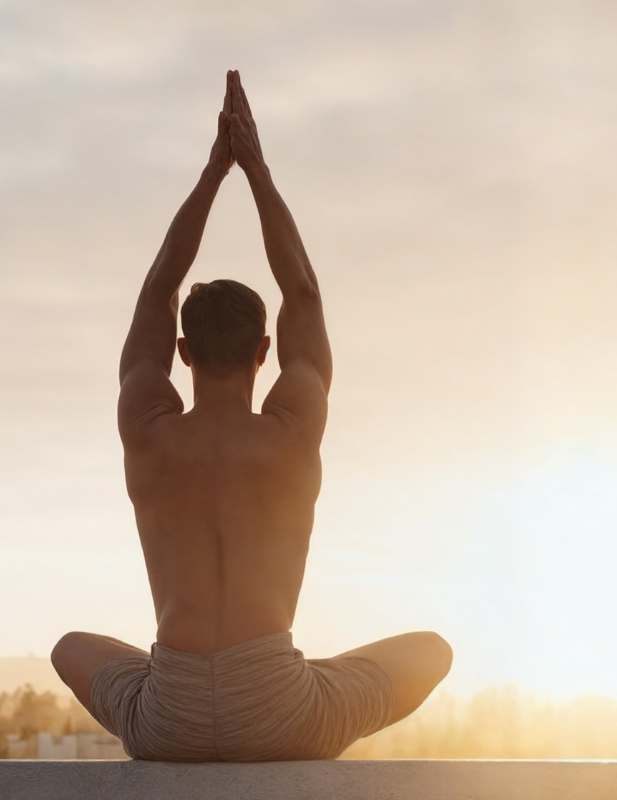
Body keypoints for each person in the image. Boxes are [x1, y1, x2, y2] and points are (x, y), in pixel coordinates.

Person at [50, 70, 452, 761]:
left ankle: (233, 681)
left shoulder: (145, 427)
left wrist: (212, 174)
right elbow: (303, 289)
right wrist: (256, 171)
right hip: (281, 712)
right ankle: (298, 680)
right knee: (431, 652)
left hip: (168, 719)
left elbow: (156, 290)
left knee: (70, 649)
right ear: (265, 352)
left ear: (181, 352)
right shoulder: (293, 430)